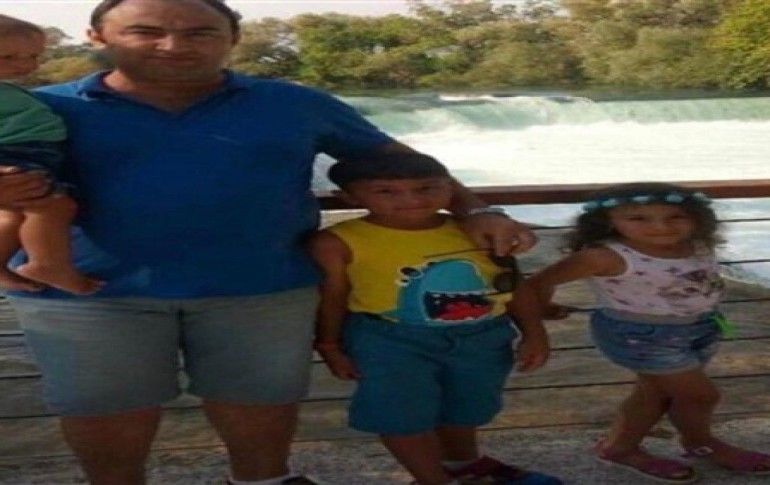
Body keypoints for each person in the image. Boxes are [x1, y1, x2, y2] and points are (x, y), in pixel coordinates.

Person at [5, 1, 538, 484]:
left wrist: (478, 211)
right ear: (97, 37)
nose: (173, 45)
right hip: (90, 292)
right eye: (145, 31)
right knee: (104, 407)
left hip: (263, 285)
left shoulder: (293, 103)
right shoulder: (42, 108)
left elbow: (401, 164)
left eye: (199, 32)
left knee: (259, 400)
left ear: (232, 39)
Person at [310, 153, 561, 485]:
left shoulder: (476, 230)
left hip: (483, 336)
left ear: (450, 188)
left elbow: (513, 284)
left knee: (467, 405)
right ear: (349, 197)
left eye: (426, 188)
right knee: (399, 412)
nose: (411, 200)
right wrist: (329, 344)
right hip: (389, 339)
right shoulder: (338, 241)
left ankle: (463, 464)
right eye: (386, 191)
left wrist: (534, 332)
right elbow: (332, 297)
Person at [510, 182, 770, 483]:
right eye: (638, 218)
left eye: (676, 216)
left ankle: (619, 447)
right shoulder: (604, 256)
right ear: (608, 221)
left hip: (700, 327)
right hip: (641, 336)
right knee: (701, 396)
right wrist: (542, 313)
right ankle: (701, 443)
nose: (661, 227)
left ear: (697, 218)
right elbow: (538, 283)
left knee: (655, 393)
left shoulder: (697, 244)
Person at [0, 15, 103, 294]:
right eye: (8, 57)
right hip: (15, 155)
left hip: (31, 153)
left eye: (33, 56)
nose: (25, 65)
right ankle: (47, 263)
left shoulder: (9, 90)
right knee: (54, 206)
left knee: (14, 214)